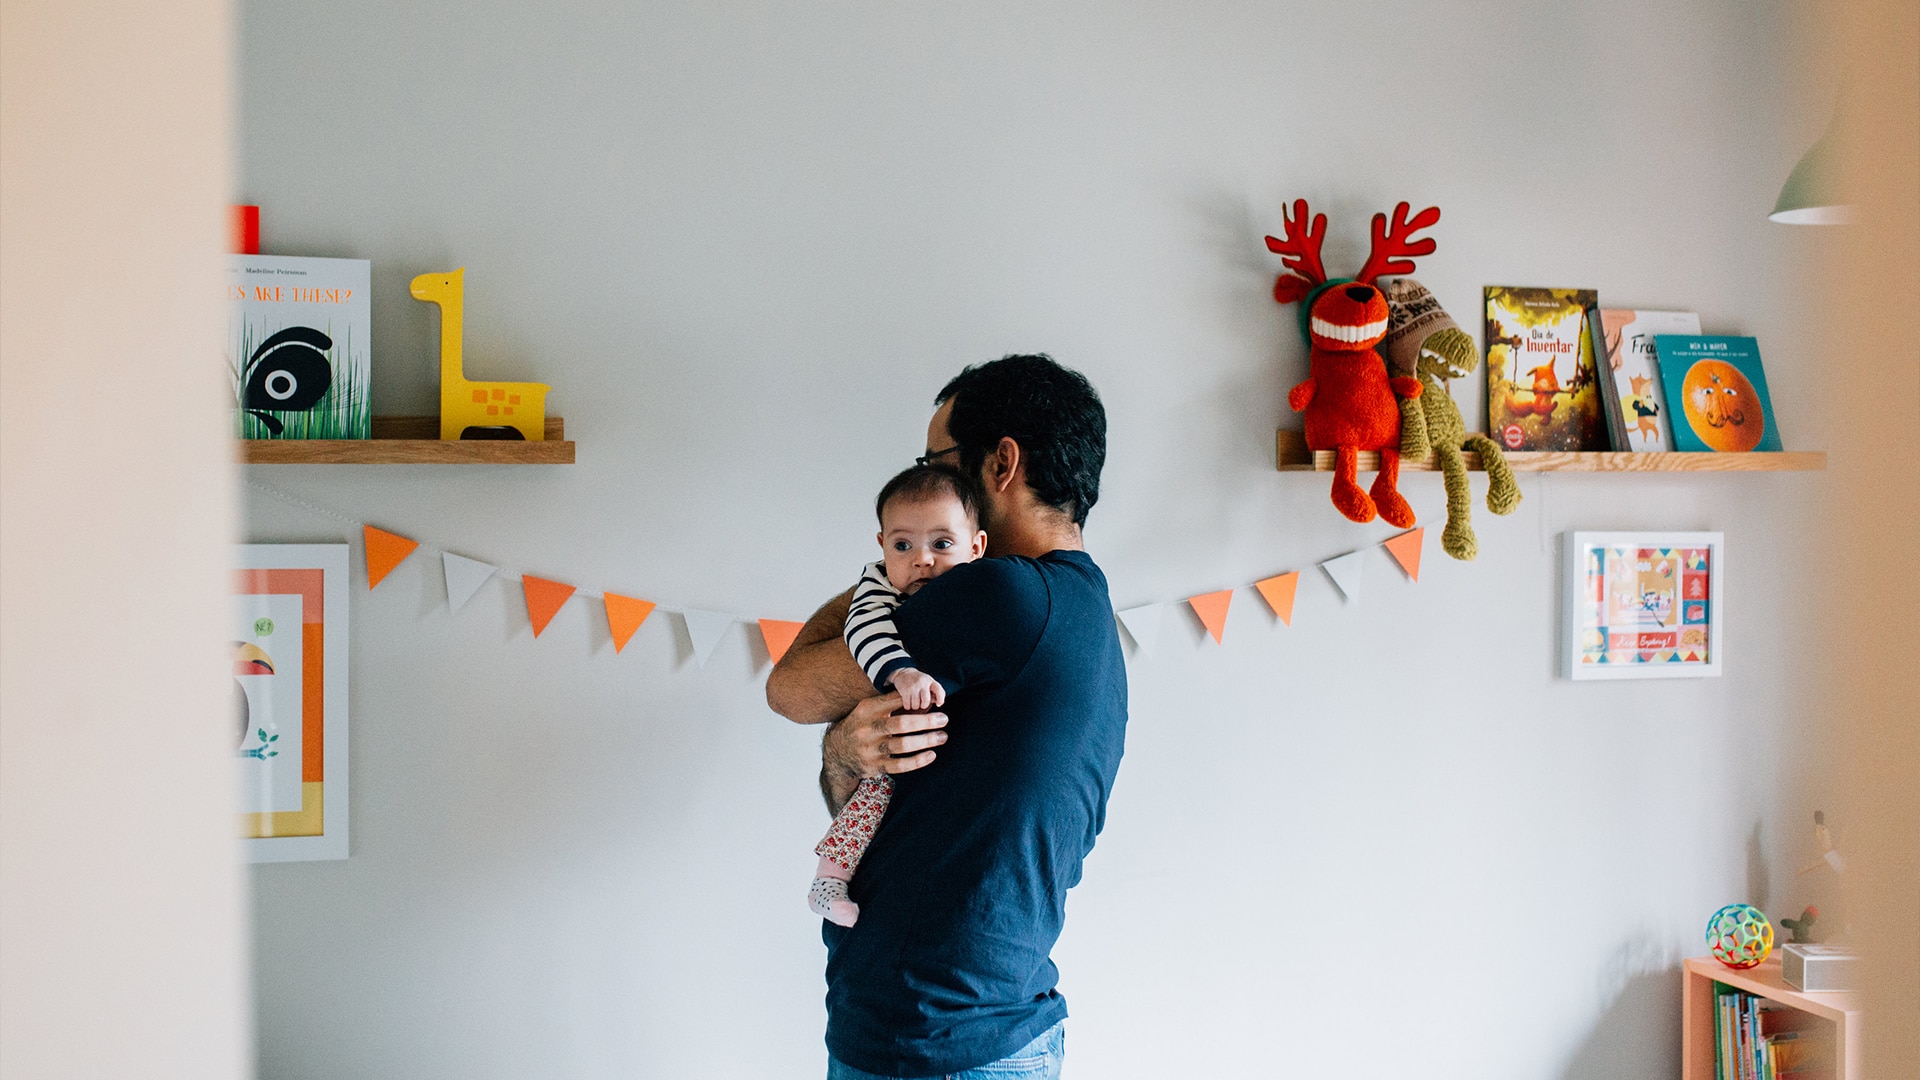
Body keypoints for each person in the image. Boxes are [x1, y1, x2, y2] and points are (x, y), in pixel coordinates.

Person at [767, 354, 1127, 1080]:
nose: (926, 489)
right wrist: (847, 752)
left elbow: (790, 688)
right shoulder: (1080, 611)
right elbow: (894, 804)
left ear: (1001, 464)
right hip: (964, 1029)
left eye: (936, 465)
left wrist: (894, 564)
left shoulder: (997, 597)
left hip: (930, 1041)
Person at [809, 464, 987, 927]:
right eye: (902, 545)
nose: (922, 559)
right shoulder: (880, 585)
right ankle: (829, 879)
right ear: (882, 546)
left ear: (976, 546)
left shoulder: (986, 586)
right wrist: (900, 670)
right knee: (873, 794)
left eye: (942, 544)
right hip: (892, 725)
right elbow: (863, 628)